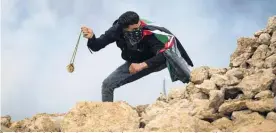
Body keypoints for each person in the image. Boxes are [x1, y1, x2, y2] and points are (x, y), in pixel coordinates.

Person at [81, 11, 194, 102]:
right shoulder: (116, 30)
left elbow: (164, 55)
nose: (138, 30)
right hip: (134, 62)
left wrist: (142, 65)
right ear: (124, 29)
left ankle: (194, 88)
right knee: (107, 84)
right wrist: (91, 37)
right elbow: (97, 45)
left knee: (171, 56)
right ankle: (107, 116)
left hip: (158, 59)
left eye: (139, 27)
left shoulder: (149, 33)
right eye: (134, 29)